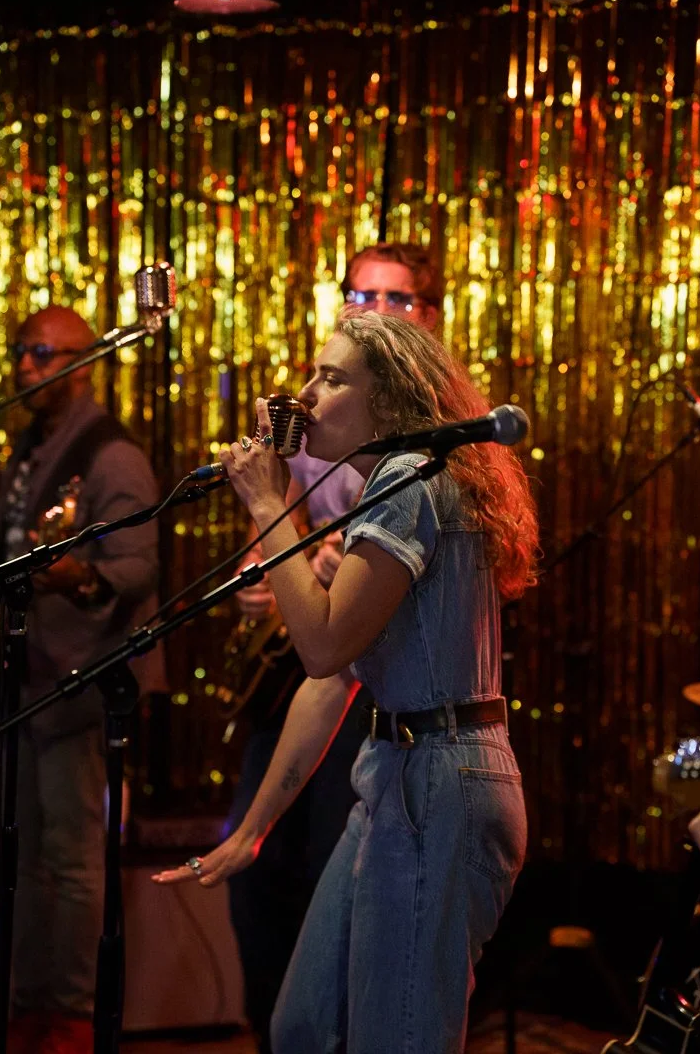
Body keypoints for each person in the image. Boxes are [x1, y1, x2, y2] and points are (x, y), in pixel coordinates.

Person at [155, 307, 538, 1053]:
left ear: (389, 402)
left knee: (396, 1039)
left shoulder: (410, 477)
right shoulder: (393, 484)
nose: (305, 392)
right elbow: (329, 683)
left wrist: (268, 503)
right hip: (394, 772)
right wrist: (253, 832)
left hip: (441, 779)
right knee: (303, 1028)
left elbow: (322, 645)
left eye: (332, 378)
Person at [221, 242, 443, 1054]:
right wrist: (267, 564)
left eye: (396, 299)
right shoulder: (334, 410)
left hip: (386, 689)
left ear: (429, 315)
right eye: (361, 293)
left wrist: (299, 539)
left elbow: (361, 589)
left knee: (328, 865)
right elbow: (303, 525)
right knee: (259, 870)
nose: (375, 311)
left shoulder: (436, 448)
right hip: (318, 660)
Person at [0, 306, 165, 1054]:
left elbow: (136, 568)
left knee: (72, 860)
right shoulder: (30, 444)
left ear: (81, 362)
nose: (25, 367)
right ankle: (25, 1010)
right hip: (28, 687)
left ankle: (66, 1019)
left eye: (39, 354)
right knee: (21, 853)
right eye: (20, 352)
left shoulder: (110, 453)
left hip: (80, 691)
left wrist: (72, 573)